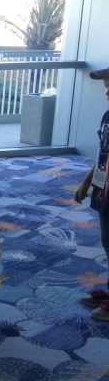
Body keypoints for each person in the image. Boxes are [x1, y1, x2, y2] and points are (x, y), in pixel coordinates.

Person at [75, 66, 109, 323]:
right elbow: (102, 156)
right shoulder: (107, 116)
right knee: (107, 243)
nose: (107, 91)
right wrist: (87, 183)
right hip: (103, 189)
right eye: (106, 86)